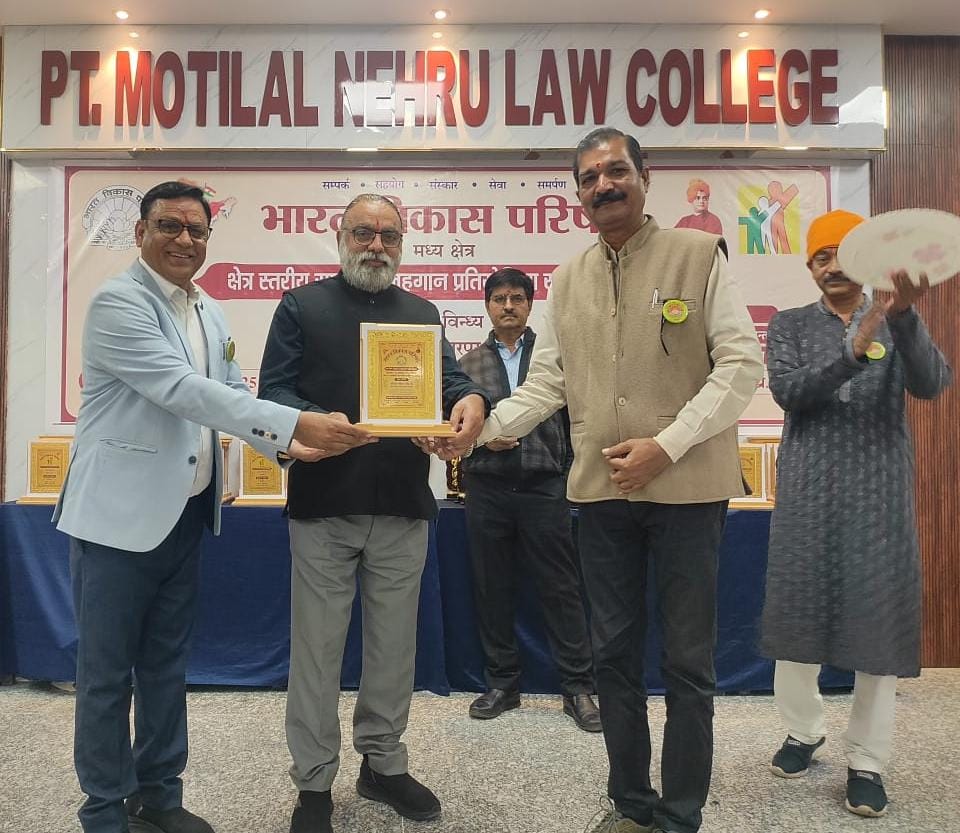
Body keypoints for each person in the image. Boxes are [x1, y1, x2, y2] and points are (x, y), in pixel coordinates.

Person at [53, 180, 373, 833]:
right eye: (169, 226)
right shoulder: (118, 302)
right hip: (116, 522)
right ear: (140, 232)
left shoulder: (208, 309)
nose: (184, 239)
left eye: (196, 230)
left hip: (187, 514)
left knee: (166, 669)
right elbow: (182, 390)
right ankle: (104, 810)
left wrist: (288, 446)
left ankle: (159, 796)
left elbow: (232, 394)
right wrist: (296, 422)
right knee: (107, 675)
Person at [471, 128, 764, 833]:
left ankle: (681, 812)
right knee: (612, 657)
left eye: (616, 170)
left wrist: (667, 446)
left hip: (689, 492)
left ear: (644, 175)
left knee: (688, 663)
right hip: (602, 495)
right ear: (578, 194)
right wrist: (476, 429)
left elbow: (740, 366)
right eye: (589, 177)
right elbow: (547, 383)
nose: (603, 185)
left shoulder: (698, 255)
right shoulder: (567, 278)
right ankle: (630, 803)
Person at [257, 193, 488, 833]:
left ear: (402, 244)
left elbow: (449, 383)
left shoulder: (421, 313)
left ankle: (382, 765)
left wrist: (471, 400)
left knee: (393, 649)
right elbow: (273, 391)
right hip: (324, 503)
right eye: (364, 233)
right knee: (316, 652)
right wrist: (311, 420)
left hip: (402, 505)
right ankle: (313, 784)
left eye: (389, 235)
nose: (376, 246)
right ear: (341, 237)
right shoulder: (301, 306)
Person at [760, 209, 952, 818]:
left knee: (877, 626)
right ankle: (803, 730)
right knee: (796, 619)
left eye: (843, 254)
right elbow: (790, 391)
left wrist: (902, 317)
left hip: (878, 497)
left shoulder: (898, 317)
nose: (833, 266)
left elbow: (932, 384)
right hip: (808, 493)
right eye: (821, 257)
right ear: (809, 266)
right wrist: (857, 342)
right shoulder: (789, 324)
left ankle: (868, 760)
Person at [459, 268, 601, 732]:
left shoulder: (554, 357)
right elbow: (453, 429)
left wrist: (569, 474)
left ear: (530, 304)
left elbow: (578, 421)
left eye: (517, 298)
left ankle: (578, 689)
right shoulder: (466, 364)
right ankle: (502, 684)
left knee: (562, 589)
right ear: (487, 305)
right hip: (486, 488)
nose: (508, 306)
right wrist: (483, 442)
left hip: (545, 486)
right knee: (491, 587)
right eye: (499, 298)